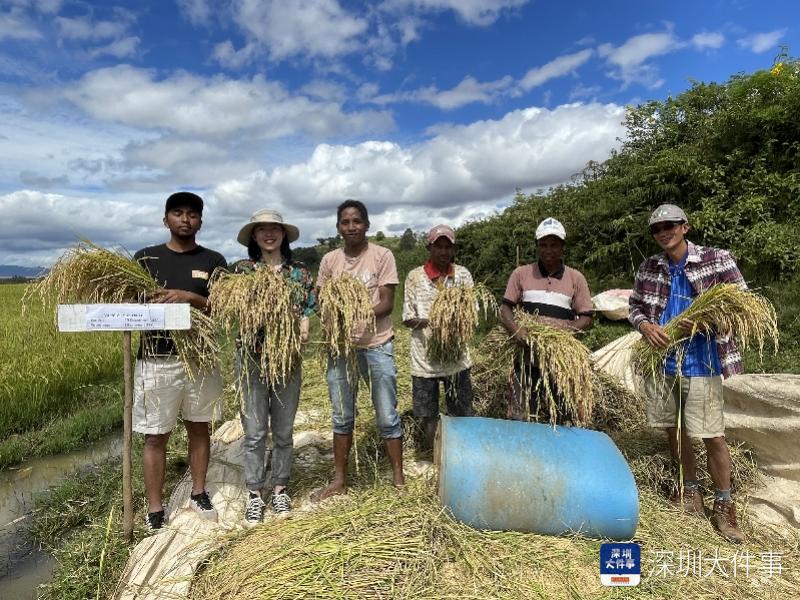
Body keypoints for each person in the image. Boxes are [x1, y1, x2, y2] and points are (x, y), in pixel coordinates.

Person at [629, 203, 746, 544]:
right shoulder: (650, 267)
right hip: (663, 362)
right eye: (657, 228)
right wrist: (646, 325)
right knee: (675, 429)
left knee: (712, 434)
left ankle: (724, 504)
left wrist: (707, 322)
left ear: (685, 227)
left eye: (670, 225)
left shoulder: (715, 259)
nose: (664, 231)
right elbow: (635, 306)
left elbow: (740, 303)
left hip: (702, 361)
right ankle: (690, 491)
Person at [133, 191, 227, 531]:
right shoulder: (146, 259)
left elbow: (223, 308)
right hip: (156, 359)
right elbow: (129, 303)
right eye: (177, 213)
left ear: (200, 221)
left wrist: (190, 298)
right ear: (166, 219)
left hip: (200, 359)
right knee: (155, 435)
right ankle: (155, 509)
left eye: (192, 214)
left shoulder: (214, 261)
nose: (185, 219)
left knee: (199, 427)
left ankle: (199, 491)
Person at [314, 200, 404, 500]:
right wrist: (333, 312)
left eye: (356, 221)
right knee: (342, 416)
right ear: (338, 227)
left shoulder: (382, 255)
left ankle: (398, 478)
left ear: (366, 224)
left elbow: (387, 302)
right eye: (345, 222)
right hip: (341, 349)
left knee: (386, 415)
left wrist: (353, 313)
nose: (351, 227)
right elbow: (321, 301)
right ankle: (340, 480)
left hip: (377, 345)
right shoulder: (330, 261)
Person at [231, 209, 316, 523]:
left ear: (283, 234)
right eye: (262, 229)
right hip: (251, 357)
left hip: (288, 358)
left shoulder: (299, 272)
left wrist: (303, 325)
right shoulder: (243, 271)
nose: (269, 234)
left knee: (282, 429)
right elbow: (235, 308)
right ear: (254, 236)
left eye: (274, 229)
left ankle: (280, 488)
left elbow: (308, 306)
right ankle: (254, 492)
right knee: (254, 431)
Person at [499, 217, 593, 422]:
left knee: (564, 417)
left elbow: (586, 317)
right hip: (526, 360)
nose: (548, 250)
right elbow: (505, 309)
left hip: (561, 363)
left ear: (562, 247)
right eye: (543, 245)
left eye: (554, 245)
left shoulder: (576, 278)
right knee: (520, 416)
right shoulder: (521, 274)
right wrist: (516, 330)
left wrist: (563, 333)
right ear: (537, 246)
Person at [402, 224, 474, 450]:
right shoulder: (415, 277)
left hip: (457, 359)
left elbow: (471, 312)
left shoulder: (462, 275)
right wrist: (435, 322)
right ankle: (434, 455)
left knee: (461, 411)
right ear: (429, 248)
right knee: (426, 414)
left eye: (447, 247)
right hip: (425, 360)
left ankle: (462, 452)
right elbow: (407, 318)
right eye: (438, 246)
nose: (443, 252)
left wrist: (455, 321)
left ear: (453, 249)